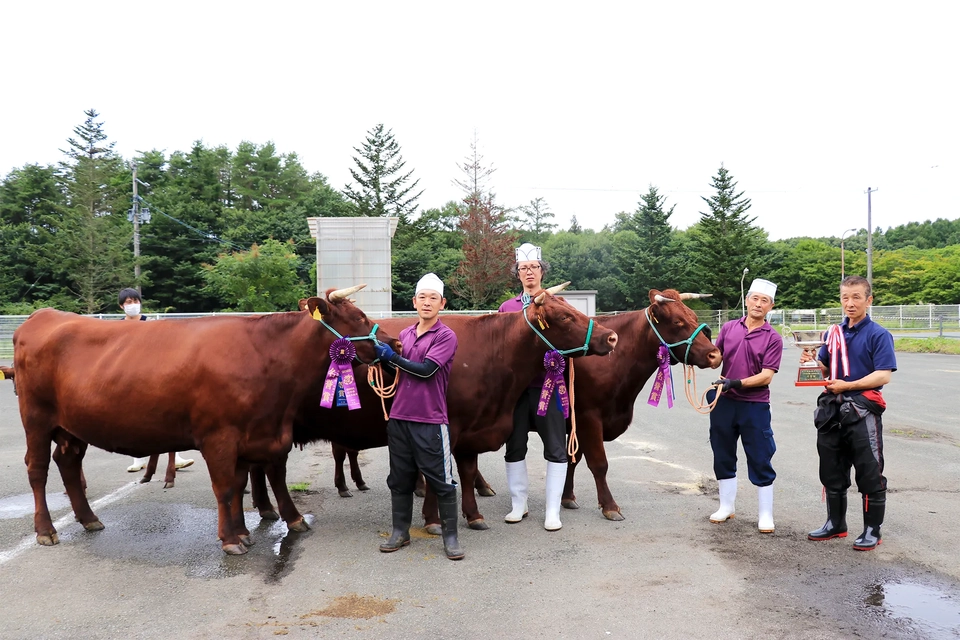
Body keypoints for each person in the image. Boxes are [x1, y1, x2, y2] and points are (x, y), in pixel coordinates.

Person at [803, 275, 896, 551]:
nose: (850, 303)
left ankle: (872, 530)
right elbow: (825, 370)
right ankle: (835, 524)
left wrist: (850, 385)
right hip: (832, 409)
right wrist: (810, 363)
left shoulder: (878, 334)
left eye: (856, 297)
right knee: (831, 468)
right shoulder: (833, 333)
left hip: (862, 408)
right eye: (845, 297)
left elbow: (884, 374)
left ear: (869, 299)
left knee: (869, 471)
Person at [374, 273, 463, 560]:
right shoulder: (405, 334)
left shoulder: (446, 336)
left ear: (442, 303)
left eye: (433, 298)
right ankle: (400, 532)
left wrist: (391, 357)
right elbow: (401, 372)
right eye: (422, 297)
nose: (427, 302)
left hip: (430, 420)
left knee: (442, 480)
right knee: (399, 479)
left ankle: (451, 537)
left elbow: (425, 370)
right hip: (399, 418)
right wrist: (379, 360)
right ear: (414, 301)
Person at [498, 242, 567, 531]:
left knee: (556, 447)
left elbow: (569, 340)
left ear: (542, 271)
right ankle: (519, 504)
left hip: (547, 385)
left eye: (534, 267)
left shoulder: (558, 304)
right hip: (515, 391)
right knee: (514, 446)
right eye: (523, 268)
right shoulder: (507, 308)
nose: (529, 272)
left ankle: (553, 511)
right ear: (517, 273)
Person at [707, 278, 783, 533]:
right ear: (747, 300)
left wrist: (736, 383)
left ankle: (765, 514)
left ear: (770, 306)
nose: (758, 304)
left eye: (764, 301)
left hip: (754, 405)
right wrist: (700, 350)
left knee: (760, 456)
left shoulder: (773, 337)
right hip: (724, 402)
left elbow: (766, 375)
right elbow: (716, 359)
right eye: (755, 299)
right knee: (722, 452)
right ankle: (726, 506)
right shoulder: (729, 328)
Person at [117, 288, 195, 474]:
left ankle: (175, 458)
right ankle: (138, 459)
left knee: (163, 416)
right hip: (128, 376)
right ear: (121, 306)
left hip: (151, 375)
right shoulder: (116, 327)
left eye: (135, 301)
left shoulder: (151, 324)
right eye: (128, 302)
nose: (132, 305)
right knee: (133, 418)